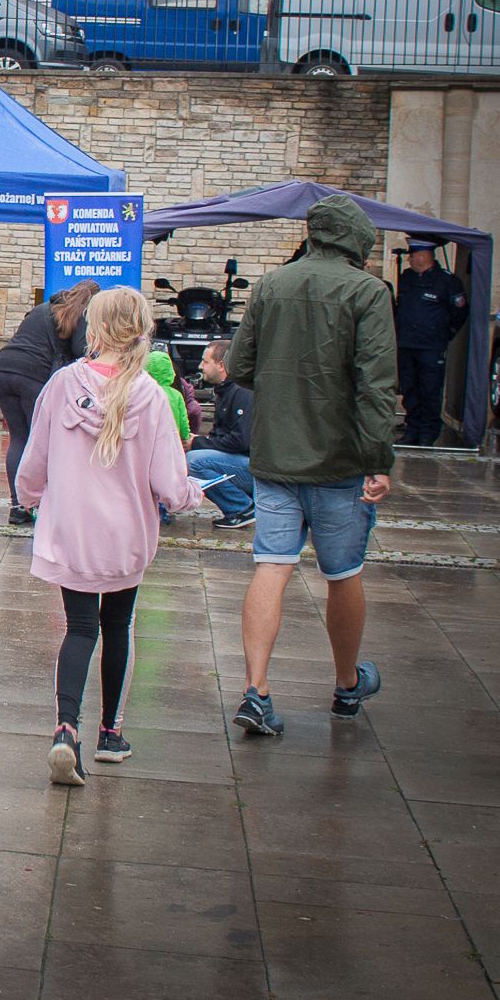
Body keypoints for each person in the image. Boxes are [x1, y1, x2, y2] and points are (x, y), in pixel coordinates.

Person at [16, 287, 204, 786]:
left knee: (79, 629)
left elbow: (34, 458)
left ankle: (65, 729)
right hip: (125, 538)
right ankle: (110, 734)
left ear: (93, 330)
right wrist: (193, 495)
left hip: (72, 531)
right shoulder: (151, 395)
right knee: (118, 627)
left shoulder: (61, 385)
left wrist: (29, 496)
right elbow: (168, 483)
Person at [227, 195, 397, 738]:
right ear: (358, 244)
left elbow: (239, 366)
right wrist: (377, 459)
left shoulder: (272, 285)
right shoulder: (368, 292)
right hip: (339, 461)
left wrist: (282, 401)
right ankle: (347, 685)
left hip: (276, 455)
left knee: (271, 565)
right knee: (342, 573)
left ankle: (256, 691)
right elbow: (377, 385)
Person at [0, 282, 97, 525]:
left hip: (3, 369)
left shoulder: (43, 308)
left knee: (18, 437)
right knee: (41, 441)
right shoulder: (82, 313)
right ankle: (42, 504)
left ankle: (18, 506)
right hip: (32, 376)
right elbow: (82, 352)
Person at [395, 238, 468, 445]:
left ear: (424, 256)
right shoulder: (407, 277)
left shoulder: (447, 281)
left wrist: (446, 333)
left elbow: (460, 312)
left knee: (429, 389)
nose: (409, 258)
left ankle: (428, 433)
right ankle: (412, 428)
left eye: (413, 254)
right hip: (407, 343)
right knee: (410, 388)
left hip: (431, 346)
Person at [186, 339, 256, 529]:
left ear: (221, 365)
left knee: (193, 461)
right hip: (243, 462)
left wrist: (199, 443)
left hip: (256, 468)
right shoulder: (225, 391)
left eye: (205, 361)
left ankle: (241, 508)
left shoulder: (243, 393)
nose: (200, 366)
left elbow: (242, 441)